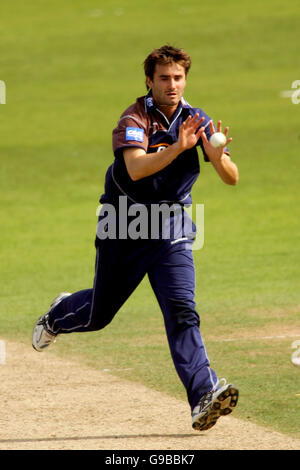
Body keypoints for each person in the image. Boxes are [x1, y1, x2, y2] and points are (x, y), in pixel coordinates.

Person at [32, 45, 239, 431]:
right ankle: (58, 315)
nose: (172, 84)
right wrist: (180, 147)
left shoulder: (198, 119)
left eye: (178, 77)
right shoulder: (135, 116)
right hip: (124, 226)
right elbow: (137, 167)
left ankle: (203, 396)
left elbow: (232, 178)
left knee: (182, 310)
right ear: (149, 81)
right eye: (164, 78)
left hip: (171, 226)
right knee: (99, 315)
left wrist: (218, 155)